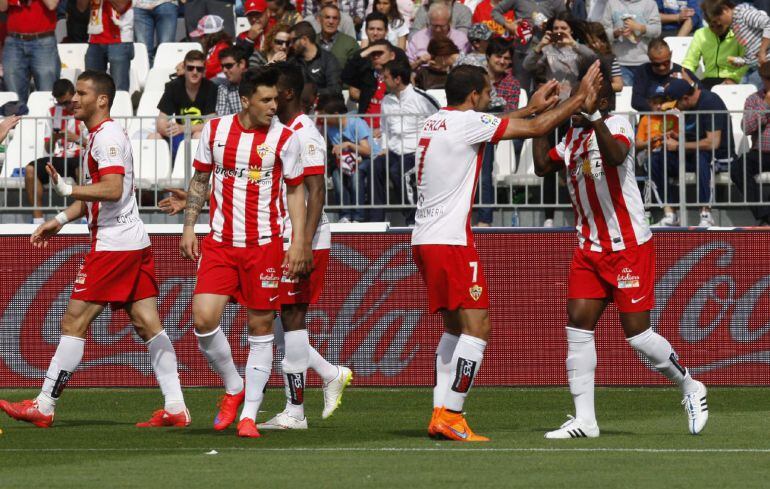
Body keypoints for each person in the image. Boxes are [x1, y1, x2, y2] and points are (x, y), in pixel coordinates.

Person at [414, 62, 602, 441]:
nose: (490, 99)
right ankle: (452, 413)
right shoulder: (466, 124)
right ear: (473, 96)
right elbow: (533, 131)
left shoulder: (438, 121)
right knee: (478, 328)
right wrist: (579, 98)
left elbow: (504, 122)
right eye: (486, 94)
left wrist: (532, 108)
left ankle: (440, 412)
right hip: (451, 239)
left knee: (454, 328)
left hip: (424, 237)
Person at [0, 71, 190, 429]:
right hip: (130, 241)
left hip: (114, 245)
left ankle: (44, 404)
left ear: (102, 99)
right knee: (147, 322)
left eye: (82, 93)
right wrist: (60, 218)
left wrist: (70, 191)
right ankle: (176, 407)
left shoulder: (107, 138)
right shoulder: (98, 136)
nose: (74, 99)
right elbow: (101, 194)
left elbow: (113, 189)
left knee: (73, 322)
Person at [531, 71, 709, 440]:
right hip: (588, 247)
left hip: (628, 247)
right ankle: (586, 421)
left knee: (637, 335)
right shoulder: (571, 137)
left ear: (602, 102)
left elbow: (616, 156)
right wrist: (539, 121)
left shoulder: (618, 124)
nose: (575, 107)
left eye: (581, 100)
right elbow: (542, 167)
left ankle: (691, 386)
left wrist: (593, 116)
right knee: (578, 327)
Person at [179, 66, 311, 439]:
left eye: (276, 99)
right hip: (220, 243)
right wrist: (189, 226)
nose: (274, 106)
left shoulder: (286, 139)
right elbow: (201, 179)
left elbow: (296, 191)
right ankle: (234, 385)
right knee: (203, 318)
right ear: (246, 99)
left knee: (260, 327)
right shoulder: (216, 131)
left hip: (266, 245)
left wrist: (298, 241)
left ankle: (249, 415)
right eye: (266, 100)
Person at [257, 63, 354, 429]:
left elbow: (317, 192)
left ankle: (295, 410)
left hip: (301, 239)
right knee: (274, 318)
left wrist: (302, 243)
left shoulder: (306, 134)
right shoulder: (279, 131)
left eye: (271, 89)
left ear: (286, 93)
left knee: (292, 319)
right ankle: (329, 374)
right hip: (277, 236)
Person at [370, 59, 440, 223]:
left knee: (397, 171)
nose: (382, 81)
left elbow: (440, 120)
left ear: (397, 79)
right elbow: (385, 128)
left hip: (416, 151)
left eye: (386, 77)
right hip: (394, 150)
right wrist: (384, 147)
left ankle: (412, 219)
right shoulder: (386, 100)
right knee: (375, 167)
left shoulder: (421, 98)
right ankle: (376, 220)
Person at [655, 77, 730, 227]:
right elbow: (694, 136)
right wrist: (677, 137)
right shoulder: (689, 106)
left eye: (677, 104)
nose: (676, 108)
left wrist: (678, 146)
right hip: (692, 154)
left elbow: (713, 143)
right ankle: (670, 214)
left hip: (718, 156)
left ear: (685, 98)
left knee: (702, 156)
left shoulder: (710, 102)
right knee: (655, 160)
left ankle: (706, 214)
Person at [25, 79, 87, 224]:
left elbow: (96, 143)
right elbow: (48, 149)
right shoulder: (53, 112)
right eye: (60, 103)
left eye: (67, 102)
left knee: (81, 168)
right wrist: (53, 138)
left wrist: (77, 139)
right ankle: (38, 220)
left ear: (74, 95)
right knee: (30, 170)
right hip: (58, 157)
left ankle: (85, 215)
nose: (64, 106)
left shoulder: (86, 110)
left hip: (80, 155)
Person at [319, 96, 377, 223]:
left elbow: (368, 151)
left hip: (369, 159)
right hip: (348, 162)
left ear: (335, 115)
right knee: (336, 174)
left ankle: (358, 216)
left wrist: (349, 145)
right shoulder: (330, 128)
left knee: (356, 173)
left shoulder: (356, 123)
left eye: (326, 117)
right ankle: (345, 215)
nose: (324, 120)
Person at [156, 50, 218, 159]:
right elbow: (161, 120)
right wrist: (167, 129)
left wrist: (184, 128)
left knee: (198, 136)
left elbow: (210, 124)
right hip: (177, 134)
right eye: (190, 68)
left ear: (204, 71)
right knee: (154, 137)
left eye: (199, 69)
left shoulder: (210, 88)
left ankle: (198, 174)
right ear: (184, 68)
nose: (194, 72)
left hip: (197, 134)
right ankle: (159, 174)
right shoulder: (173, 86)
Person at [731, 61, 770, 226]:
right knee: (738, 168)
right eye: (768, 79)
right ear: (762, 78)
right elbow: (746, 127)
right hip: (760, 152)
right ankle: (764, 215)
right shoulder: (753, 100)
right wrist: (766, 107)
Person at [0, 0, 61, 103]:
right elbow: (2, 7)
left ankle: (46, 119)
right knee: (14, 97)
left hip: (43, 41)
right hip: (14, 41)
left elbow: (52, 4)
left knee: (47, 94)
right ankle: (17, 119)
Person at [524, 12, 596, 97]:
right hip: (552, 98)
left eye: (563, 28)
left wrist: (573, 43)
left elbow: (593, 57)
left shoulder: (578, 49)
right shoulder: (547, 49)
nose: (559, 31)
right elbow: (527, 65)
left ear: (571, 30)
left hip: (572, 97)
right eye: (556, 28)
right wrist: (540, 46)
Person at [701, 0, 770, 87]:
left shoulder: (744, 13)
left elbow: (768, 24)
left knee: (750, 92)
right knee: (739, 89)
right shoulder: (734, 24)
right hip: (754, 66)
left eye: (719, 19)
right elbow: (752, 51)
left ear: (725, 10)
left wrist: (762, 50)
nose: (719, 23)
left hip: (766, 64)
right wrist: (742, 61)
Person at [341, 39, 408, 128]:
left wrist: (381, 130)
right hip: (364, 130)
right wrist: (366, 51)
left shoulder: (399, 79)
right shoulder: (366, 75)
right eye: (373, 54)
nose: (376, 57)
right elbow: (345, 76)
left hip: (389, 130)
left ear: (392, 55)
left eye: (380, 53)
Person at [635, 93, 679, 225]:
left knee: (658, 167)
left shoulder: (673, 118)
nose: (659, 106)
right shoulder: (645, 119)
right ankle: (668, 212)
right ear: (650, 104)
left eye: (662, 102)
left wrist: (671, 137)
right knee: (652, 164)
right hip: (651, 154)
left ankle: (670, 213)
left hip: (670, 155)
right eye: (656, 103)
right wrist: (651, 140)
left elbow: (680, 138)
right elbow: (638, 144)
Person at [601, 0, 662, 86]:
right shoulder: (611, 3)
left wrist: (640, 28)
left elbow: (657, 30)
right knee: (624, 97)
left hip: (644, 62)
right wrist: (616, 33)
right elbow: (603, 32)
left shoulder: (650, 3)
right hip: (619, 63)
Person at [631, 38, 699, 112]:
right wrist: (656, 107)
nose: (662, 67)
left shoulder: (683, 72)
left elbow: (702, 94)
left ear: (670, 55)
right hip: (650, 120)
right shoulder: (642, 71)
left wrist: (691, 83)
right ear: (649, 57)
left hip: (679, 120)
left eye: (666, 63)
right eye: (656, 64)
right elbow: (636, 100)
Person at [82, 0, 134, 92]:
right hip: (95, 38)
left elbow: (121, 6)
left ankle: (119, 107)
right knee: (92, 89)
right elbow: (81, 7)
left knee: (119, 90)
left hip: (120, 39)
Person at [682, 20, 747, 88]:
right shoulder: (700, 34)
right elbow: (690, 62)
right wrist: (685, 74)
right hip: (708, 79)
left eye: (719, 26)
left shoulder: (739, 34)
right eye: (712, 26)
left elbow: (747, 61)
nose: (715, 30)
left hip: (732, 80)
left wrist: (734, 78)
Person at [407, 2, 470, 70]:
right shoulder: (418, 38)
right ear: (429, 22)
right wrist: (419, 62)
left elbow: (465, 67)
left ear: (450, 22)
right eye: (434, 26)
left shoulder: (461, 39)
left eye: (442, 26)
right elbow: (407, 68)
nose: (438, 30)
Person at [289, 21, 342, 97]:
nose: (290, 45)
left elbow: (335, 90)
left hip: (323, 105)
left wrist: (310, 93)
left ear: (304, 40)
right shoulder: (292, 61)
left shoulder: (328, 60)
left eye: (293, 40)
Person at [134, 0, 179, 66]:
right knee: (143, 53)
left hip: (166, 3)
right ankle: (146, 76)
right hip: (139, 5)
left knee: (165, 50)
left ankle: (163, 76)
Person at [582, 21, 623, 92]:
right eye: (588, 43)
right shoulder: (583, 58)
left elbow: (619, 85)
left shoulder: (610, 59)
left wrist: (598, 86)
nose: (591, 46)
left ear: (603, 41)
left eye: (594, 42)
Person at [191, 15, 233, 81]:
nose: (200, 39)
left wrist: (188, 69)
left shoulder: (222, 47)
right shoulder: (213, 47)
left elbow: (210, 69)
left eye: (202, 36)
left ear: (211, 35)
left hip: (220, 82)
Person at [216, 46, 249, 116]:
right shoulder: (223, 89)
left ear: (242, 64)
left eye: (228, 65)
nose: (224, 70)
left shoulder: (259, 85)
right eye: (222, 66)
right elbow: (222, 120)